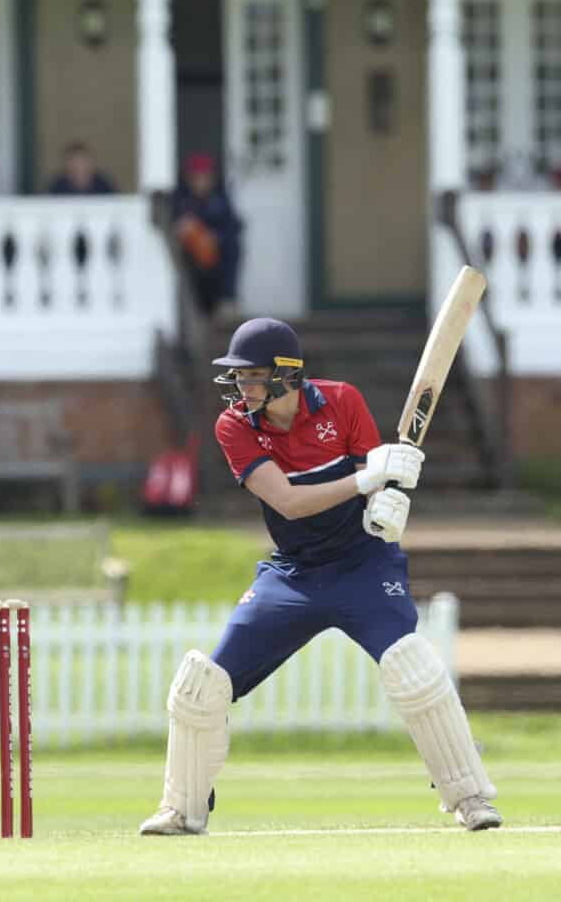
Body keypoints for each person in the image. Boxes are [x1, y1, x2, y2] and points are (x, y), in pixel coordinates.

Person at [138, 318, 501, 836]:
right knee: (203, 686)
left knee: (412, 665)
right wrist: (363, 480)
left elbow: (375, 491)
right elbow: (286, 499)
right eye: (238, 378)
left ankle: (469, 798)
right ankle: (181, 809)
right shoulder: (235, 426)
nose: (242, 388)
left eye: (252, 377)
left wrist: (388, 501)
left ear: (286, 376)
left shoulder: (342, 402)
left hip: (364, 563)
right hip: (294, 573)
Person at [170, 153, 244, 321]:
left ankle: (227, 300)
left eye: (206, 177)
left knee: (232, 249)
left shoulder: (220, 198)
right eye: (197, 177)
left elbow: (233, 226)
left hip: (216, 256)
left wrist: (214, 238)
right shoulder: (181, 200)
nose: (202, 181)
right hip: (191, 257)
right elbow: (177, 226)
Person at [47, 141, 117, 196]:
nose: (79, 167)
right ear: (66, 166)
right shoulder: (56, 186)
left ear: (91, 163)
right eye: (74, 164)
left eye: (83, 162)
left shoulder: (104, 185)